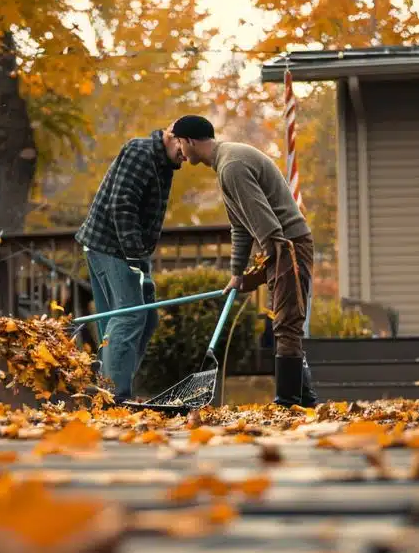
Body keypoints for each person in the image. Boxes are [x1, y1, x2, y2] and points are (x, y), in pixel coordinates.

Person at [169, 114, 319, 408]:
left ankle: (289, 403)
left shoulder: (232, 166)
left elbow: (266, 223)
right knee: (285, 322)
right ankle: (305, 400)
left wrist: (274, 261)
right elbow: (240, 226)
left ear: (189, 141)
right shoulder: (226, 163)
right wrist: (238, 273)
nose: (180, 153)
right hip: (281, 243)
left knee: (287, 323)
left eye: (179, 144)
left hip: (286, 244)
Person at [75, 127, 186, 402]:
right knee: (129, 314)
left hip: (127, 249)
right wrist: (135, 254)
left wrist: (140, 254)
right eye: (183, 149)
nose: (186, 158)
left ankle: (108, 386)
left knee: (145, 317)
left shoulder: (162, 162)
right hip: (111, 245)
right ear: (173, 135)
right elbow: (121, 205)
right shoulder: (140, 152)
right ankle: (115, 396)